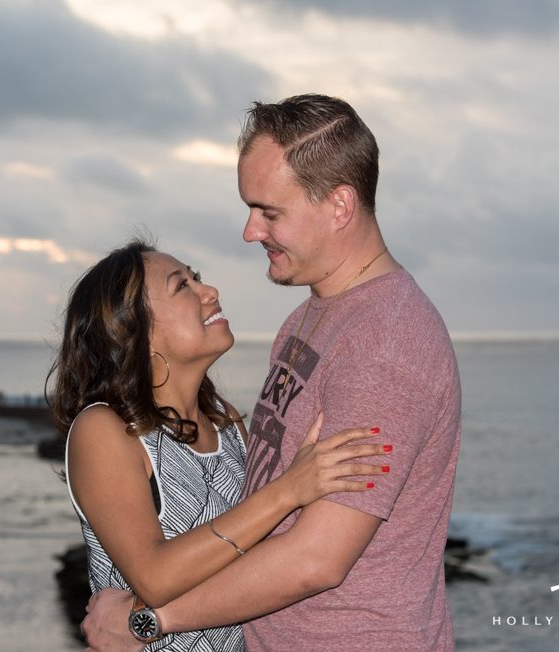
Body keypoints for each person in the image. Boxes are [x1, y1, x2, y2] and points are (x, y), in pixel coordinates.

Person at [82, 94, 462, 651]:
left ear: (339, 206)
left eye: (269, 212)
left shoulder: (387, 342)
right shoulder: (303, 323)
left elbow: (318, 558)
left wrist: (149, 621)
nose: (250, 231)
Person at [49, 238, 391, 651]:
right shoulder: (105, 429)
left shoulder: (224, 422)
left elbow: (252, 558)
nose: (209, 292)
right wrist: (289, 490)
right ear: (136, 331)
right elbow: (155, 577)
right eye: (182, 286)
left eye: (197, 279)